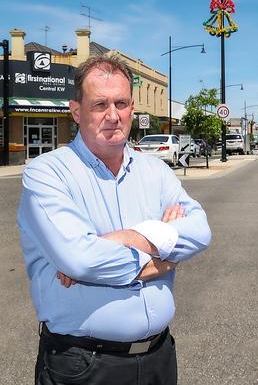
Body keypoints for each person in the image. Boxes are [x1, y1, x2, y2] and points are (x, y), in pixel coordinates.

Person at [17, 53, 211, 385]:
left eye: (121, 103)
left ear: (132, 109)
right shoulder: (47, 174)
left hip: (159, 359)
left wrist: (122, 239)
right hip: (85, 366)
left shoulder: (154, 169)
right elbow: (82, 261)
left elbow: (199, 231)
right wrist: (163, 257)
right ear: (76, 111)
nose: (112, 115)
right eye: (99, 105)